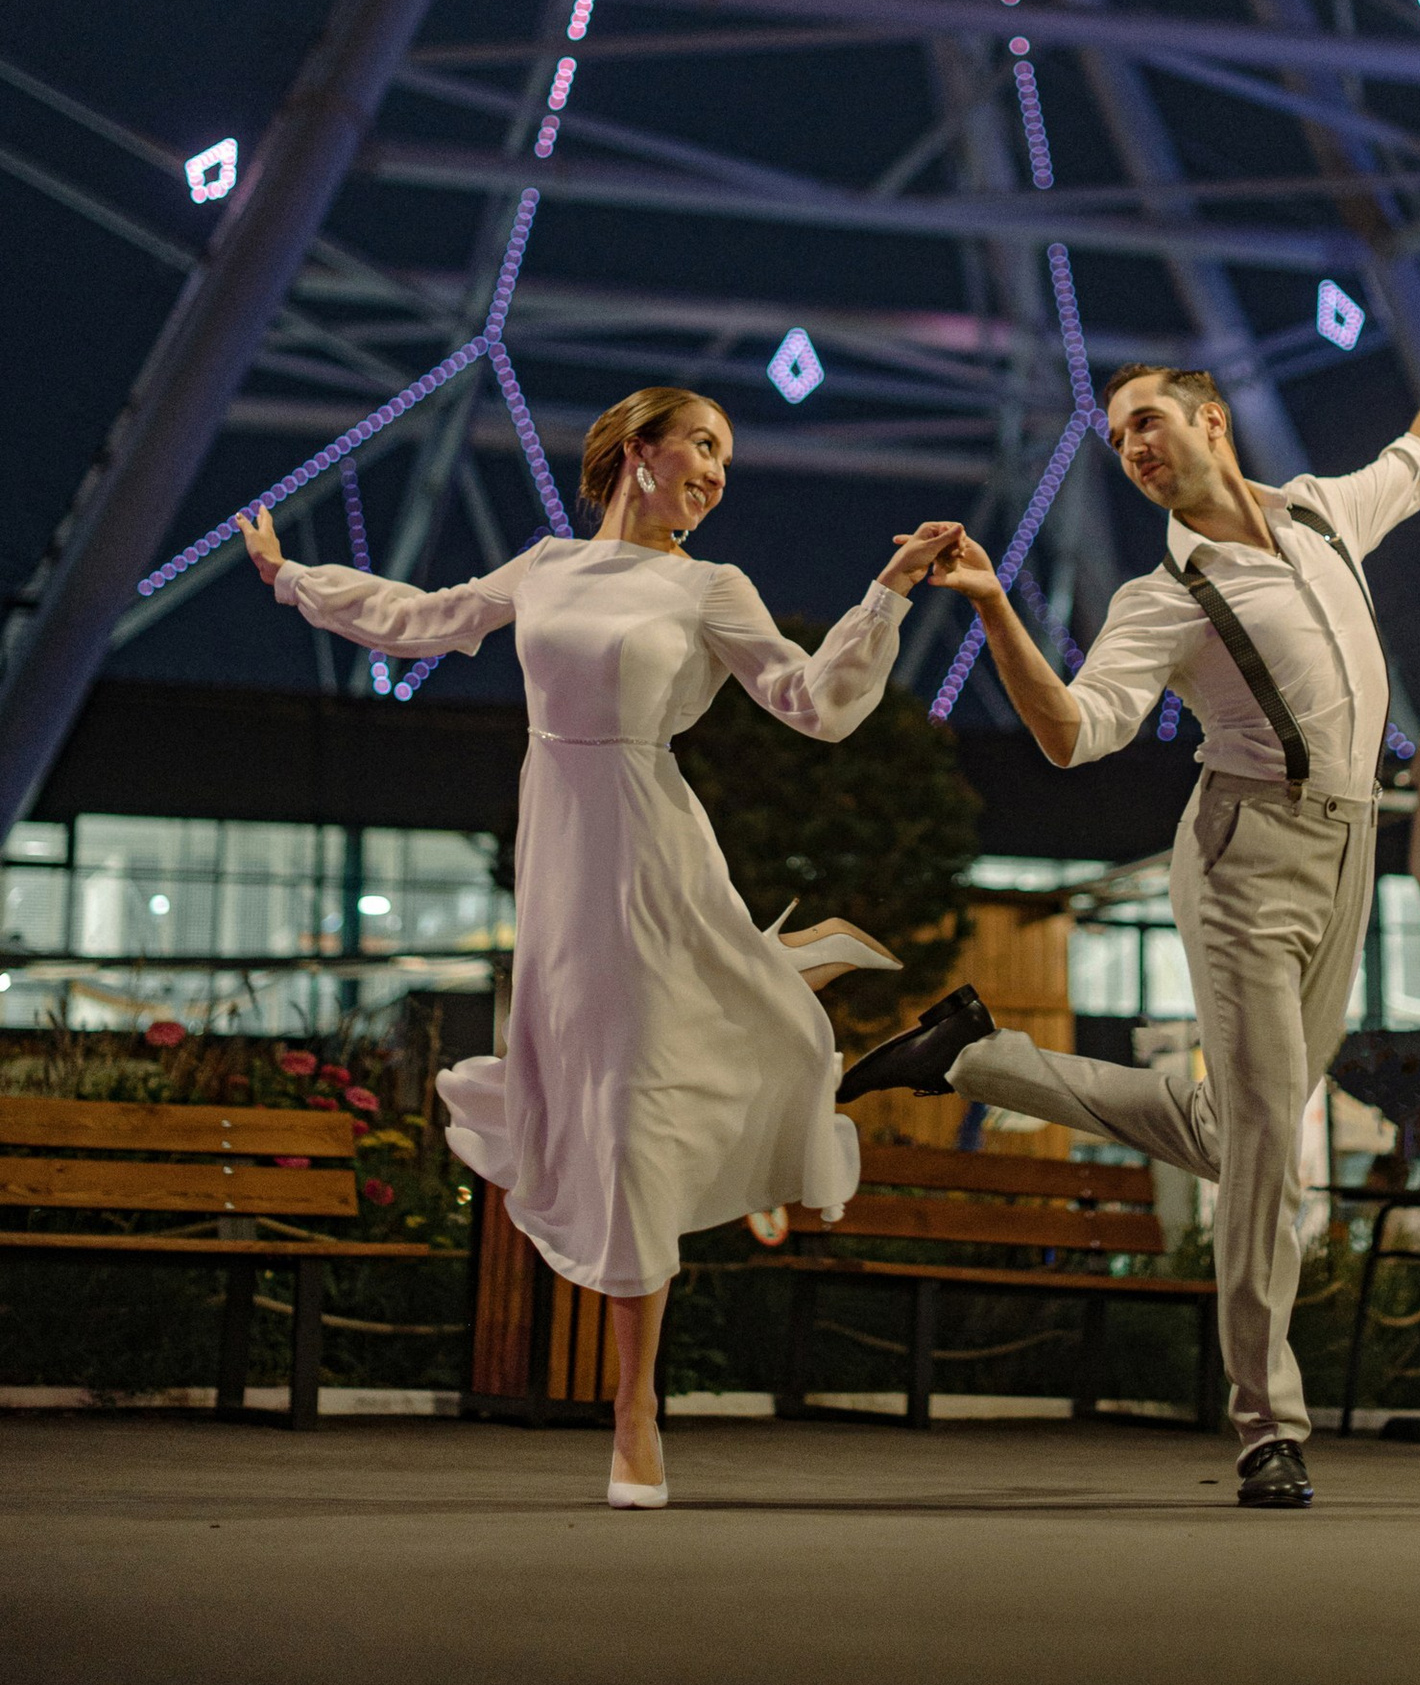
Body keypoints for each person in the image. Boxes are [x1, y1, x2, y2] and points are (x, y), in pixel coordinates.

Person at [842, 264, 1420, 1506]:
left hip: (1353, 848)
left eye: (1147, 423)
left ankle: (974, 1057)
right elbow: (1073, 734)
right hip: (1242, 861)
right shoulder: (1162, 600)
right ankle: (1268, 1427)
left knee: (1242, 1133)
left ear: (1212, 420)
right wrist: (998, 610)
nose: (1131, 449)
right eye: (1118, 439)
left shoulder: (1322, 514)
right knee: (1272, 1141)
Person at [238, 387, 960, 1509]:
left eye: (729, 457)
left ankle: (635, 1411)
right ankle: (772, 985)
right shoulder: (545, 566)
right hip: (561, 856)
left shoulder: (710, 587)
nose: (717, 472)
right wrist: (293, 579)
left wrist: (887, 594)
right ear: (639, 451)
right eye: (704, 445)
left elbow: (812, 702)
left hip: (649, 846)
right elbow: (424, 618)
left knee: (625, 1118)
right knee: (592, 1099)